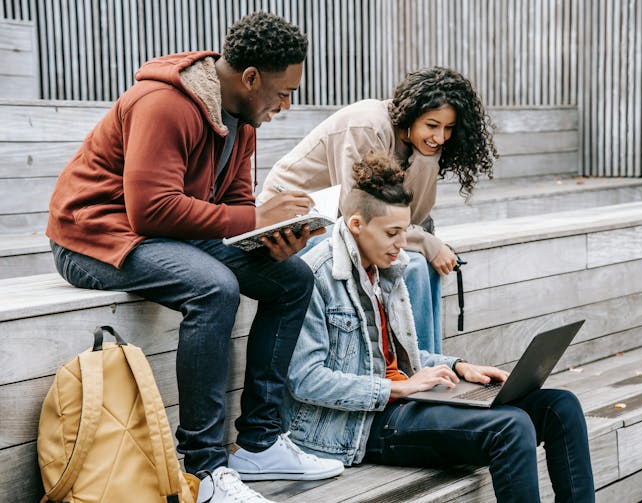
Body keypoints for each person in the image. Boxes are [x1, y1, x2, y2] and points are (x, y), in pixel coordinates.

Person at [46, 12, 343, 503]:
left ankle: (260, 445)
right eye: (283, 92)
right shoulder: (164, 103)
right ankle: (204, 470)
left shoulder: (243, 119)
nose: (286, 105)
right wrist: (252, 219)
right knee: (214, 287)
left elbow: (238, 204)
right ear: (250, 79)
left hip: (168, 235)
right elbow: (150, 209)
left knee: (291, 279)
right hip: (93, 236)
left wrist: (273, 235)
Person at [281, 152, 595, 502]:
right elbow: (305, 379)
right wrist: (398, 389)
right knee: (512, 426)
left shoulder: (385, 268)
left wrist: (459, 367)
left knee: (560, 406)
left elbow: (399, 358)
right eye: (392, 233)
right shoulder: (315, 275)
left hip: (405, 402)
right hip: (361, 426)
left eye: (405, 231)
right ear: (356, 224)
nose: (402, 245)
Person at [258, 66, 498, 354]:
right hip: (298, 222)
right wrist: (426, 242)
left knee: (425, 266)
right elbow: (355, 214)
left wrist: (425, 160)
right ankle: (414, 377)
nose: (441, 137)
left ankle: (428, 366)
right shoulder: (368, 127)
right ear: (411, 114)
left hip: (347, 223)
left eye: (448, 129)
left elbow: (413, 217)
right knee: (412, 266)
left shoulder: (419, 142)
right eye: (432, 125)